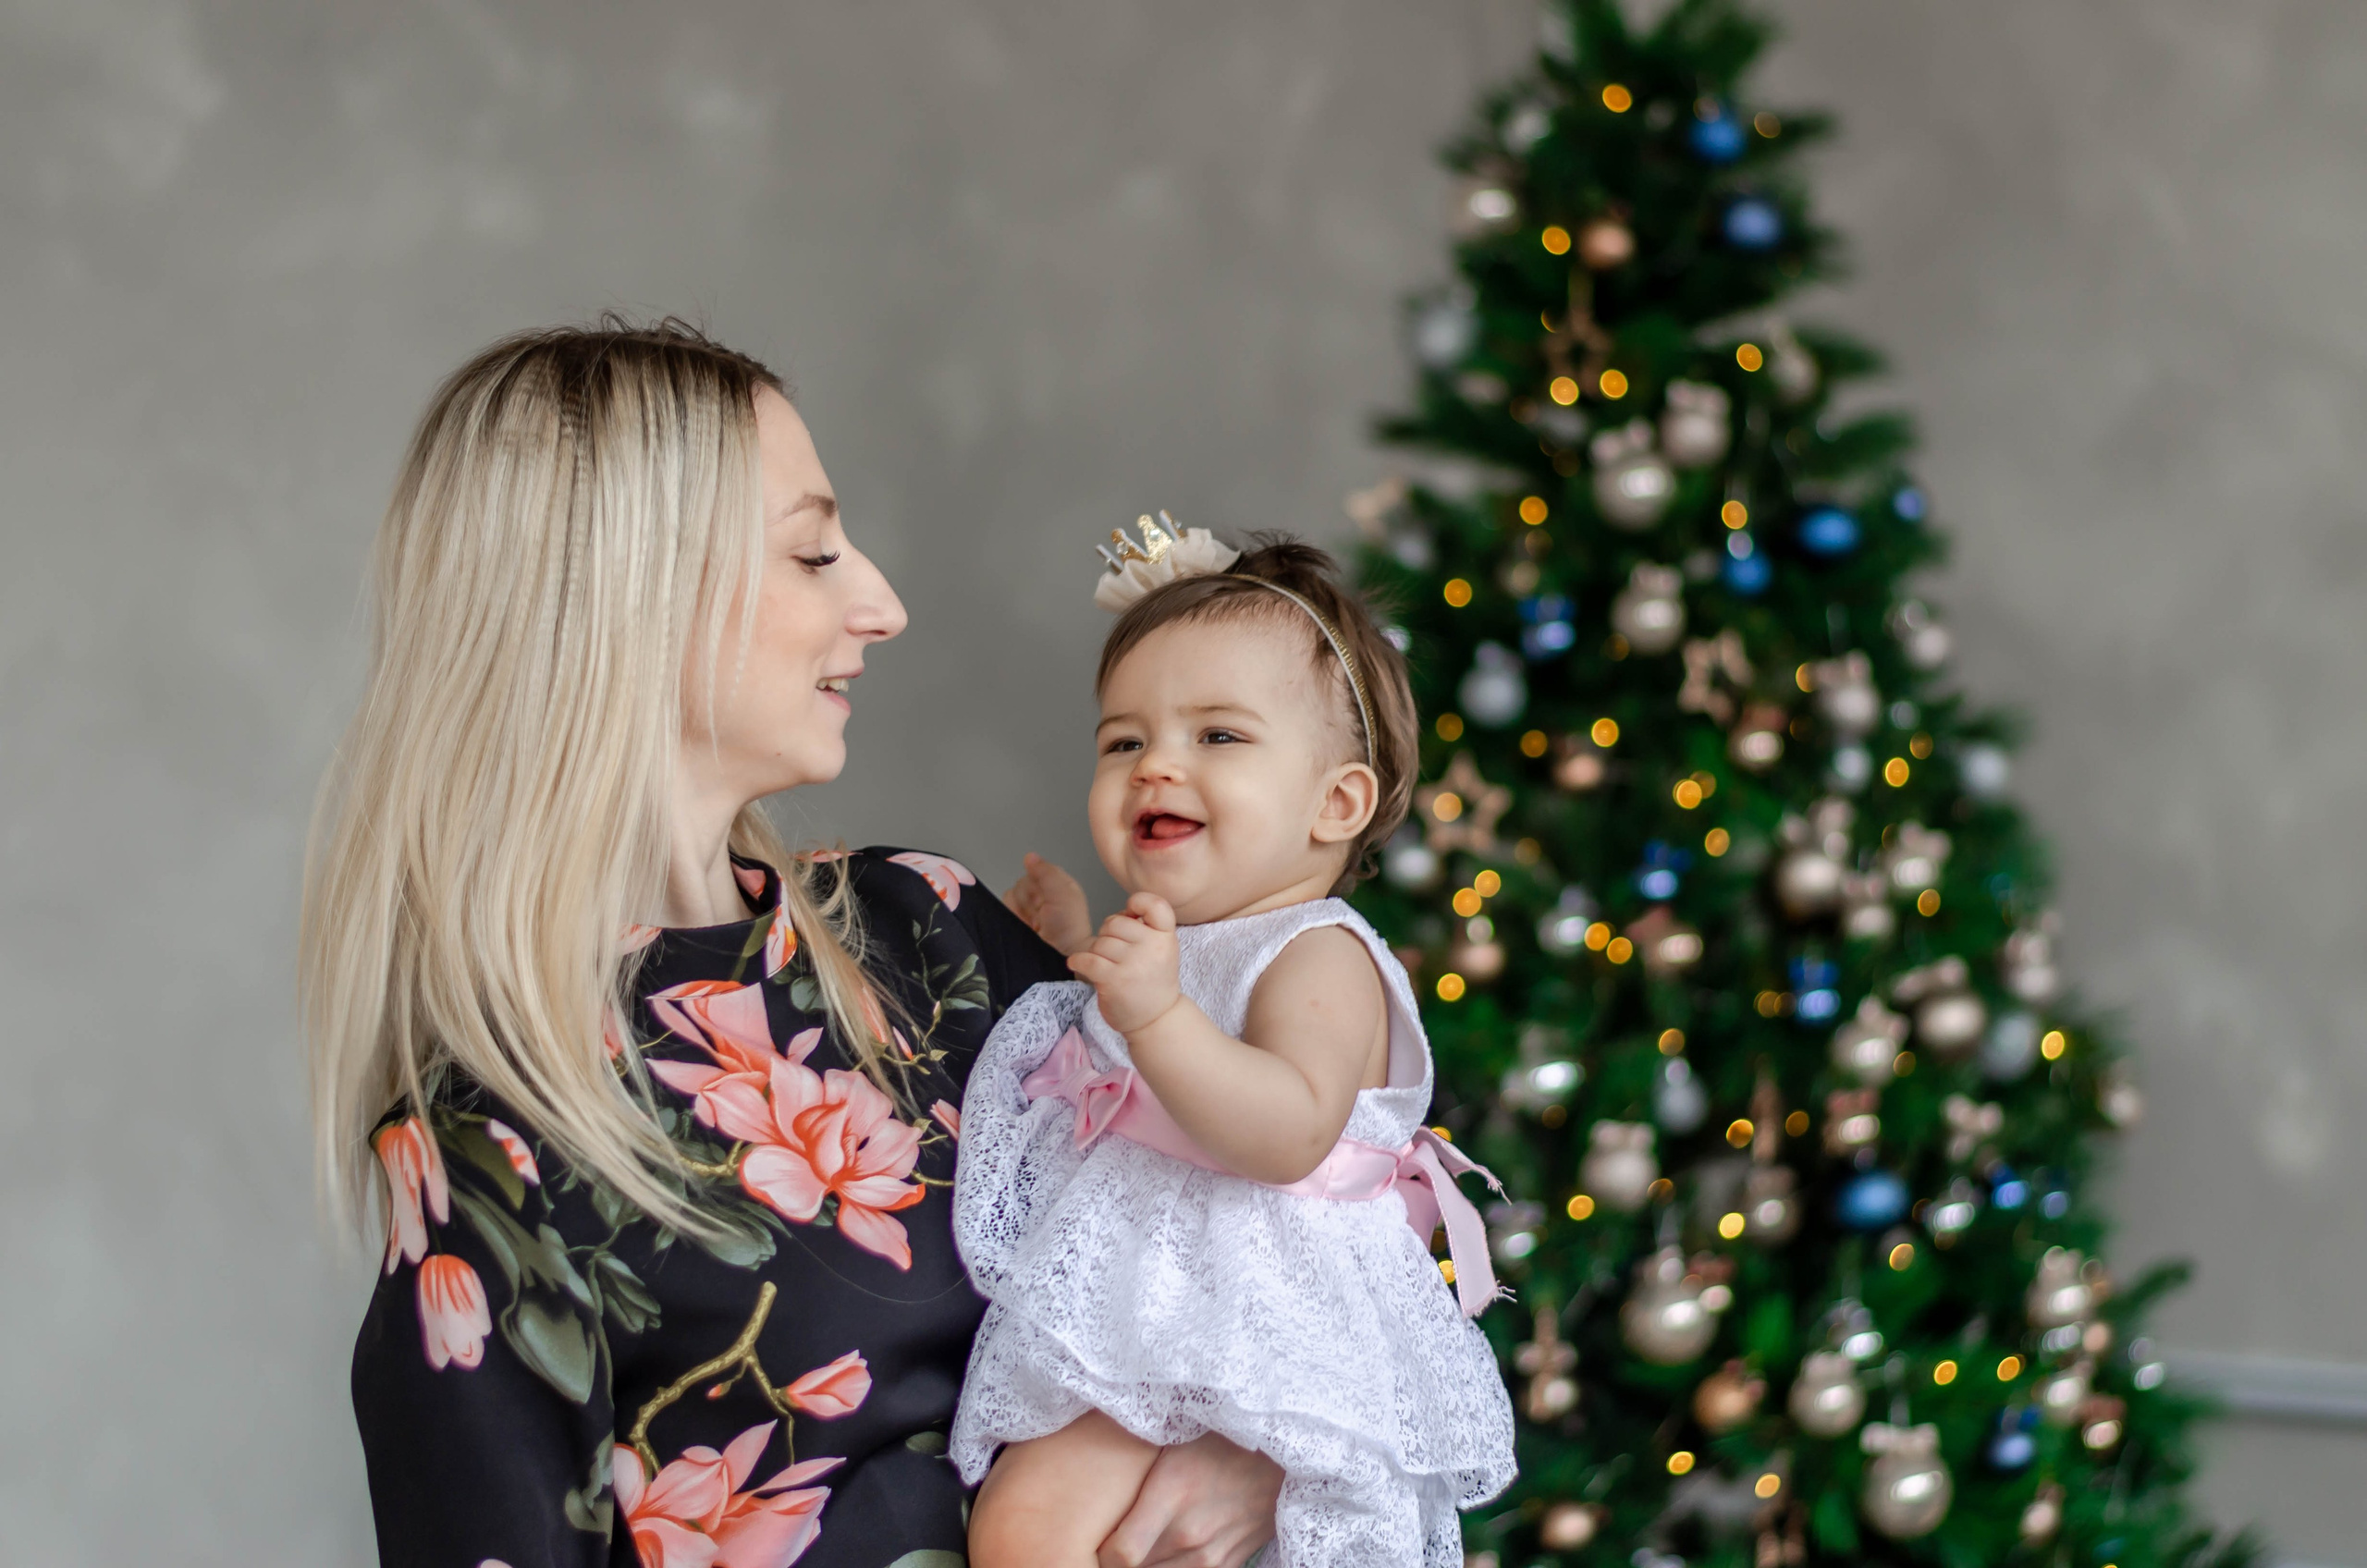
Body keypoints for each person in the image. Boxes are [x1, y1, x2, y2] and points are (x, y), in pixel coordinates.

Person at [300, 320, 1283, 1568]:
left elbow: (1339, 1188)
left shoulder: (931, 935)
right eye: (813, 551)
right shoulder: (491, 1143)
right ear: (632, 597)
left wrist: (1254, 1454)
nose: (881, 603)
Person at [949, 524, 1517, 1568]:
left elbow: (1288, 1132)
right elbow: (1136, 1050)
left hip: (1253, 1306)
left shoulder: (1319, 955)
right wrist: (1080, 952)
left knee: (1030, 1535)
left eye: (1217, 736)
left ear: (1335, 802)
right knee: (1029, 1528)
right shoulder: (1195, 942)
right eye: (1123, 740)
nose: (1156, 763)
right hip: (1160, 1286)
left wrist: (1155, 1013)